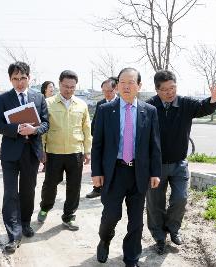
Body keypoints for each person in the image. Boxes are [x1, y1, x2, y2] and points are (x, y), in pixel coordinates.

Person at [146, 70, 216, 255]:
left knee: (180, 198)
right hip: (155, 166)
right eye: (165, 90)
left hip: (179, 163)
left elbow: (203, 107)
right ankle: (159, 237)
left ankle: (173, 229)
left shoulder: (186, 104)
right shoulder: (148, 107)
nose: (170, 93)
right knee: (155, 204)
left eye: (173, 88)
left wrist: (214, 99)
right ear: (157, 90)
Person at [91, 67, 161, 267]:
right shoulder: (106, 110)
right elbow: (98, 145)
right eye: (122, 82)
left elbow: (154, 145)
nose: (126, 86)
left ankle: (131, 258)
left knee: (136, 222)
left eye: (131, 82)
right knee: (111, 215)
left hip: (139, 173)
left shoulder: (149, 111)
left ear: (139, 86)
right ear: (117, 85)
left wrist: (155, 172)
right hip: (114, 172)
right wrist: (96, 172)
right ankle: (105, 239)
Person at [0, 61, 49, 253]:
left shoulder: (38, 97)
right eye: (15, 79)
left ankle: (25, 223)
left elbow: (46, 124)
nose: (19, 83)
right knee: (10, 193)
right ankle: (13, 234)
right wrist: (16, 128)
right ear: (10, 79)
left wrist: (35, 129)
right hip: (10, 153)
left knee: (28, 191)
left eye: (23, 78)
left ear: (29, 77)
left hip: (31, 152)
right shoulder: (3, 99)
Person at [37, 70, 92, 231]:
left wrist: (87, 151)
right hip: (54, 152)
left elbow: (86, 129)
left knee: (74, 187)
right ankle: (45, 207)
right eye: (66, 86)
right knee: (50, 184)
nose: (69, 90)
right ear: (60, 84)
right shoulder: (48, 103)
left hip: (75, 152)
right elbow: (43, 129)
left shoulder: (81, 105)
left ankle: (69, 216)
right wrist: (42, 150)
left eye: (72, 87)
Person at [86, 77, 118, 199]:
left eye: (109, 91)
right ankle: (97, 188)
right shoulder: (100, 104)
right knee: (100, 164)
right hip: (103, 142)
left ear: (115, 89)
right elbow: (94, 125)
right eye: (104, 91)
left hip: (116, 142)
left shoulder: (121, 103)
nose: (106, 94)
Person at [39, 81, 55, 171]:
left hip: (53, 125)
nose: (52, 88)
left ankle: (49, 163)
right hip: (43, 125)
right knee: (43, 145)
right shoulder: (41, 99)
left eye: (53, 87)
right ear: (45, 89)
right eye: (50, 87)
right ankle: (45, 163)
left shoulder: (55, 100)